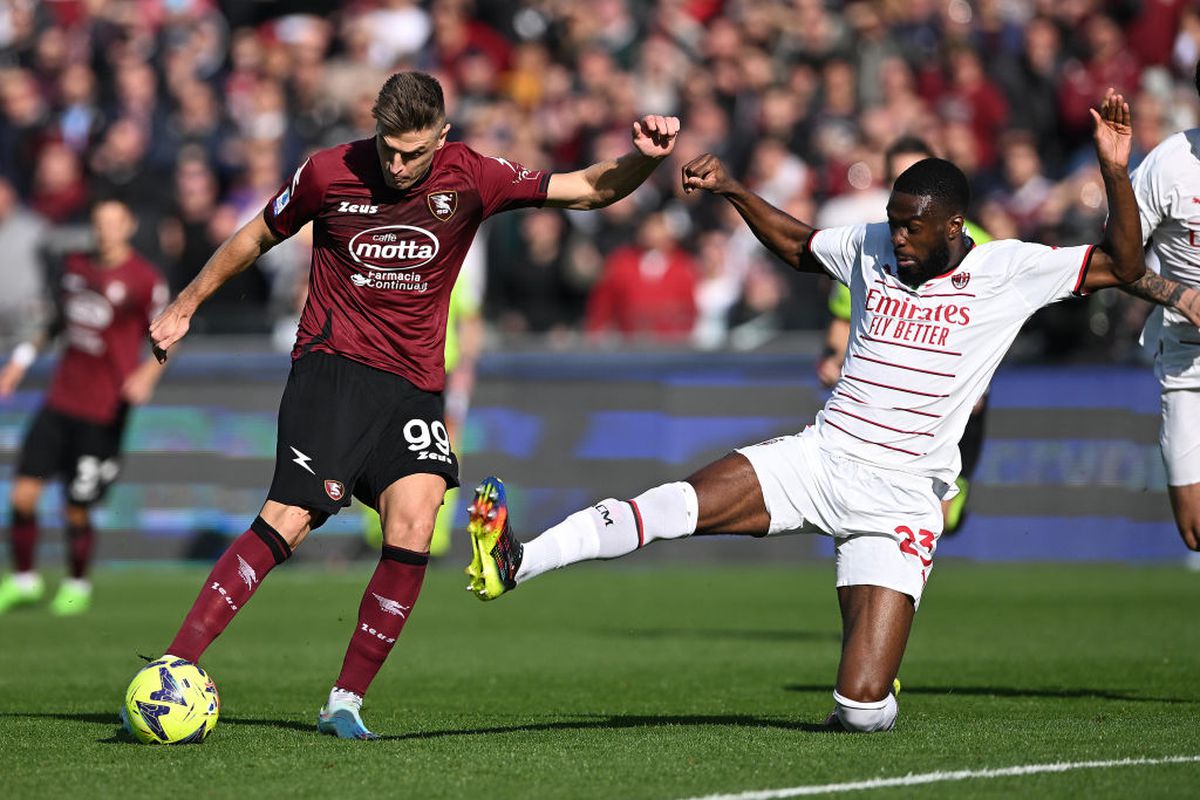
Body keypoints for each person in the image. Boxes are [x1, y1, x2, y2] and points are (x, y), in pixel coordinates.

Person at [466, 90, 1143, 732]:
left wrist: (1113, 171)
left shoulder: (1008, 270)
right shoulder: (873, 244)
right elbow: (798, 245)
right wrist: (733, 190)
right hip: (820, 458)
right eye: (893, 222)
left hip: (903, 499)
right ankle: (517, 560)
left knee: (859, 707)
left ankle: (871, 694)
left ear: (954, 226)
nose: (898, 238)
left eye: (913, 227)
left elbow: (1124, 262)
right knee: (673, 505)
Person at [146, 71, 679, 740]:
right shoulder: (328, 173)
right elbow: (254, 236)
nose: (398, 165)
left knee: (417, 520)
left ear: (443, 138)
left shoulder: (475, 176)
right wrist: (184, 305)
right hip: (332, 369)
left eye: (414, 152)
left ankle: (345, 701)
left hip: (414, 386)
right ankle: (174, 667)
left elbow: (588, 188)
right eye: (389, 149)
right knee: (291, 518)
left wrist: (643, 161)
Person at [817, 136, 993, 534]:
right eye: (898, 177)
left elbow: (999, 324)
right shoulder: (872, 244)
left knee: (942, 520)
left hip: (953, 404)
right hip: (887, 403)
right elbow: (844, 315)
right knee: (897, 519)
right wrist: (831, 358)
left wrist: (978, 382)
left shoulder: (981, 246)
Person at [0, 197, 167, 615]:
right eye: (98, 222)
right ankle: (24, 579)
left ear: (128, 226)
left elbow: (168, 333)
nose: (105, 230)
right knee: (22, 495)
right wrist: (19, 364)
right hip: (60, 399)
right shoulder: (75, 266)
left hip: (104, 409)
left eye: (113, 222)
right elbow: (53, 322)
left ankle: (77, 583)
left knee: (76, 506)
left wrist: (147, 374)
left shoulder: (144, 279)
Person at [1119, 61, 1200, 563]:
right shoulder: (1168, 164)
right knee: (1194, 526)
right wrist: (1178, 295)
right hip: (1188, 359)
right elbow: (1117, 263)